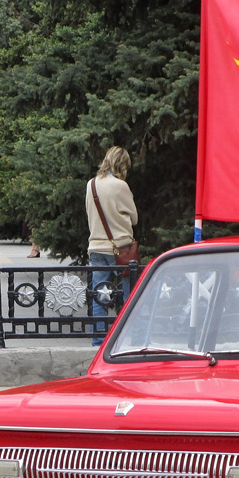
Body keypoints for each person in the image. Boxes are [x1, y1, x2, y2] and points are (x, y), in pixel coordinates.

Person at [85, 145, 138, 346]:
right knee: (128, 294)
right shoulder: (120, 186)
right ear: (122, 164)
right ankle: (126, 339)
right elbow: (134, 218)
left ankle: (98, 339)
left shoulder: (91, 184)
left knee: (99, 295)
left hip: (96, 247)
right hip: (121, 248)